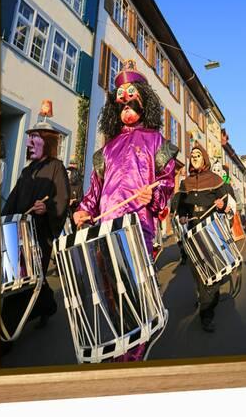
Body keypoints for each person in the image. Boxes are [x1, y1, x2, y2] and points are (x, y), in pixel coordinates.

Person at [74, 59, 178, 361]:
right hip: (104, 229)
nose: (126, 108)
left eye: (132, 101)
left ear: (143, 103)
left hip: (136, 228)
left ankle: (134, 355)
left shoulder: (156, 140)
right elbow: (94, 192)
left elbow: (167, 182)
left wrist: (154, 192)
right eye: (121, 103)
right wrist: (83, 210)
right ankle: (118, 346)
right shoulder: (104, 150)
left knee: (134, 289)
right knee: (109, 292)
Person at [1, 121, 70, 343]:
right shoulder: (27, 171)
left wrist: (47, 207)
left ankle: (6, 332)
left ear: (46, 143)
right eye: (29, 140)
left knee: (23, 282)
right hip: (19, 233)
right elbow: (12, 200)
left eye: (34, 140)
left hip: (40, 234)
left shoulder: (57, 167)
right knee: (31, 278)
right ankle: (47, 305)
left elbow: (62, 199)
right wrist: (2, 220)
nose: (29, 143)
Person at [175, 142, 228, 333]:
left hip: (211, 228)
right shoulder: (185, 183)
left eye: (198, 154)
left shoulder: (214, 179)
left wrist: (222, 204)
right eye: (192, 155)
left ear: (204, 158)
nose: (194, 156)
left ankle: (206, 314)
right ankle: (205, 295)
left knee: (211, 270)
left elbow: (226, 198)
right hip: (192, 230)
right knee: (197, 270)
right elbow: (181, 204)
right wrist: (181, 214)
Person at [66, 157, 84, 234]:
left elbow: (81, 199)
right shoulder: (63, 184)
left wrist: (73, 201)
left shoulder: (78, 185)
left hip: (73, 215)